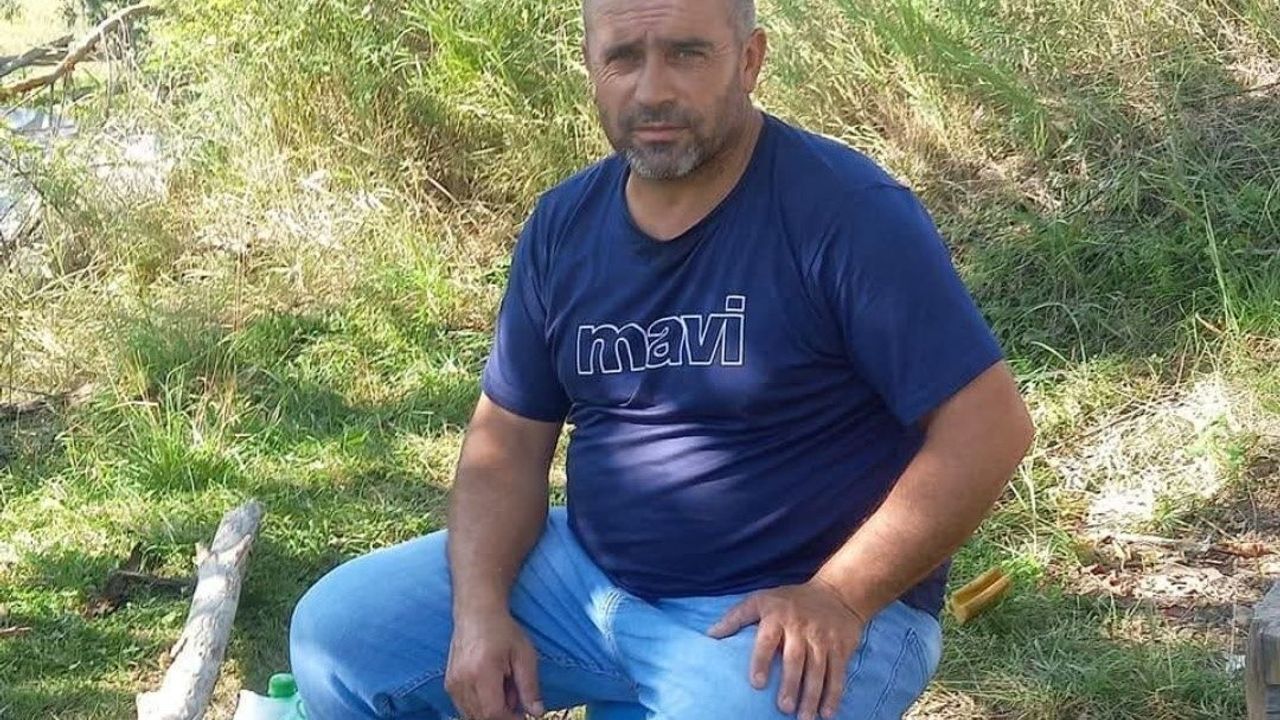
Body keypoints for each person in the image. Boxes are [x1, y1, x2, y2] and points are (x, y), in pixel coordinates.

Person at [288, 0, 1035, 717]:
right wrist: (480, 612)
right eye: (624, 57)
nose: (652, 91)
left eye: (686, 53)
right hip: (587, 587)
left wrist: (841, 593)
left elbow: (989, 429)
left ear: (750, 59)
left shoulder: (846, 213)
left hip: (787, 609)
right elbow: (505, 445)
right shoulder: (563, 226)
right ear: (591, 65)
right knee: (338, 634)